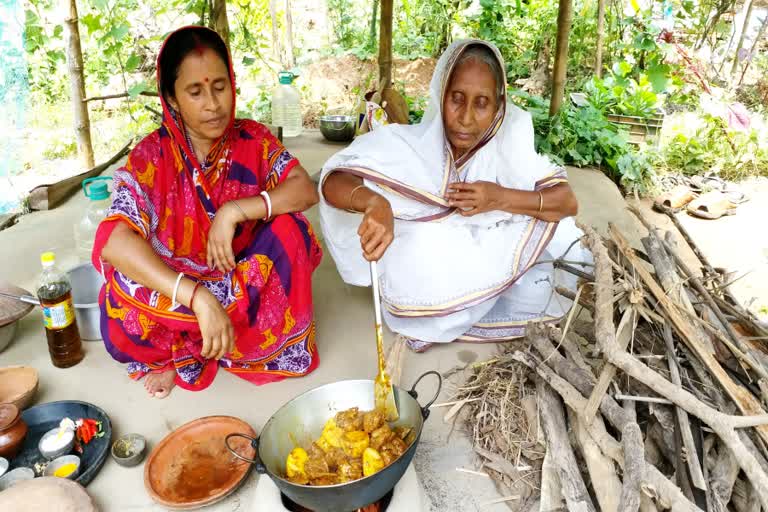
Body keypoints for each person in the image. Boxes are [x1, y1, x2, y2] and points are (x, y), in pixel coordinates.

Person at [319, 40, 592, 352]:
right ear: (441, 96)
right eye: (457, 99)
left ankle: (464, 310)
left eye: (481, 103)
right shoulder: (407, 144)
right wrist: (374, 202)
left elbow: (566, 201)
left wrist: (496, 197)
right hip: (429, 255)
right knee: (419, 249)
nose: (465, 117)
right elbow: (334, 179)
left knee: (546, 276)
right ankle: (458, 308)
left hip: (487, 252)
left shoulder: (508, 146)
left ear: (499, 105)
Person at [93, 26, 322, 397]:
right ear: (172, 98)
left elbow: (303, 189)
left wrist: (234, 210)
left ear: (232, 84)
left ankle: (229, 344)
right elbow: (115, 243)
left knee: (292, 229)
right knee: (122, 279)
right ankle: (184, 344)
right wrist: (197, 296)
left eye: (219, 86)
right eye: (195, 92)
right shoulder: (152, 157)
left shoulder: (254, 141)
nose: (213, 104)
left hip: (240, 281)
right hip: (177, 291)